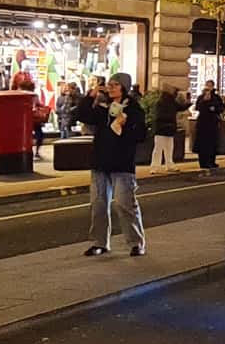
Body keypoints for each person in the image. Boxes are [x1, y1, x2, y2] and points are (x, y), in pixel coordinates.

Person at [77, 75, 147, 257]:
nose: (111, 88)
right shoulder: (103, 107)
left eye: (115, 85)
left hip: (122, 163)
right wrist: (90, 96)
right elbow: (83, 116)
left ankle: (136, 242)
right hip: (101, 162)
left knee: (125, 204)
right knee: (98, 204)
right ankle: (100, 242)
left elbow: (140, 135)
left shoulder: (133, 109)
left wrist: (127, 124)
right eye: (109, 85)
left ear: (124, 88)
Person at [151, 85, 189, 172]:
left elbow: (180, 108)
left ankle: (159, 166)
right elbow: (180, 108)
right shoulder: (165, 102)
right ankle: (163, 165)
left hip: (163, 128)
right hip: (165, 127)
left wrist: (187, 103)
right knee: (164, 148)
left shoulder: (165, 102)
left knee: (161, 148)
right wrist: (187, 104)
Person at [194, 81, 224, 170]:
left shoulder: (216, 97)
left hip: (212, 123)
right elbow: (198, 107)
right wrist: (205, 101)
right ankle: (203, 162)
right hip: (202, 123)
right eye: (207, 86)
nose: (208, 88)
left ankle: (211, 161)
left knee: (212, 143)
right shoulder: (201, 97)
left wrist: (214, 108)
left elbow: (221, 107)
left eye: (210, 86)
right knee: (203, 143)